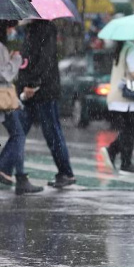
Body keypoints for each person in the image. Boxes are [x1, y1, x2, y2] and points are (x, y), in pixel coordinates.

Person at [0, 20, 42, 195]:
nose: (13, 31)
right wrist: (15, 61)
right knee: (13, 135)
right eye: (11, 27)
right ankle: (16, 177)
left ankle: (17, 176)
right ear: (5, 28)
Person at [17, 19, 77, 188]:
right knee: (19, 131)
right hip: (32, 91)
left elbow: (45, 60)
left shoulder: (45, 29)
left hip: (43, 91)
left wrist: (34, 83)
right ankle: (6, 170)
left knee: (52, 132)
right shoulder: (31, 30)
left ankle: (66, 172)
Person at [100, 40, 134, 176]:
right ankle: (120, 158)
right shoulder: (132, 50)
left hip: (120, 96)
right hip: (129, 97)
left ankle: (123, 160)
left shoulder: (122, 48)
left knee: (129, 129)